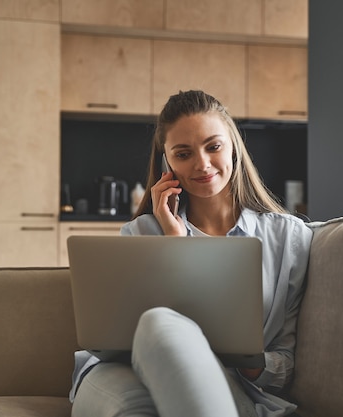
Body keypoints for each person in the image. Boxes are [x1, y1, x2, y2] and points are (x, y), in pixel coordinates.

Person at [70, 90, 313, 417]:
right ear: (166, 163)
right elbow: (112, 337)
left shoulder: (288, 238)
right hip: (123, 372)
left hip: (232, 385)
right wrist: (175, 240)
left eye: (213, 146)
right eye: (183, 154)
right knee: (156, 326)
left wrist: (251, 361)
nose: (202, 164)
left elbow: (285, 364)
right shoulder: (142, 234)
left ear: (233, 147)